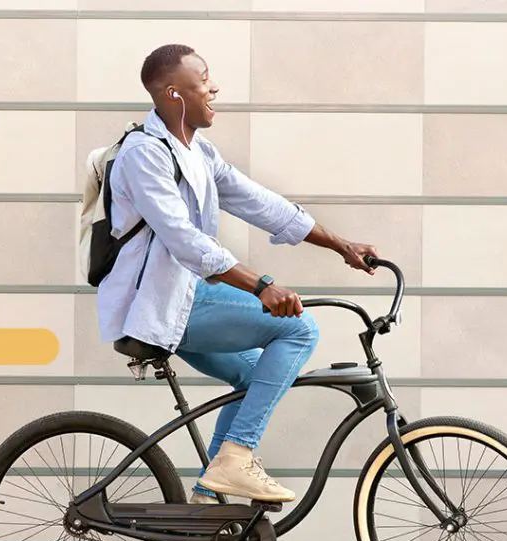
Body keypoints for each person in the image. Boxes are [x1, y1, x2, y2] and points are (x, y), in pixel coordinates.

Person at [97, 43, 378, 505]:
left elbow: (262, 203)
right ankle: (237, 456)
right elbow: (184, 239)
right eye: (203, 79)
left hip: (185, 300)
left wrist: (341, 246)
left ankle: (211, 502)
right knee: (300, 329)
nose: (214, 87)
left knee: (253, 380)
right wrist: (262, 285)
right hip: (164, 306)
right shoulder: (144, 154)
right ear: (173, 93)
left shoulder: (199, 153)